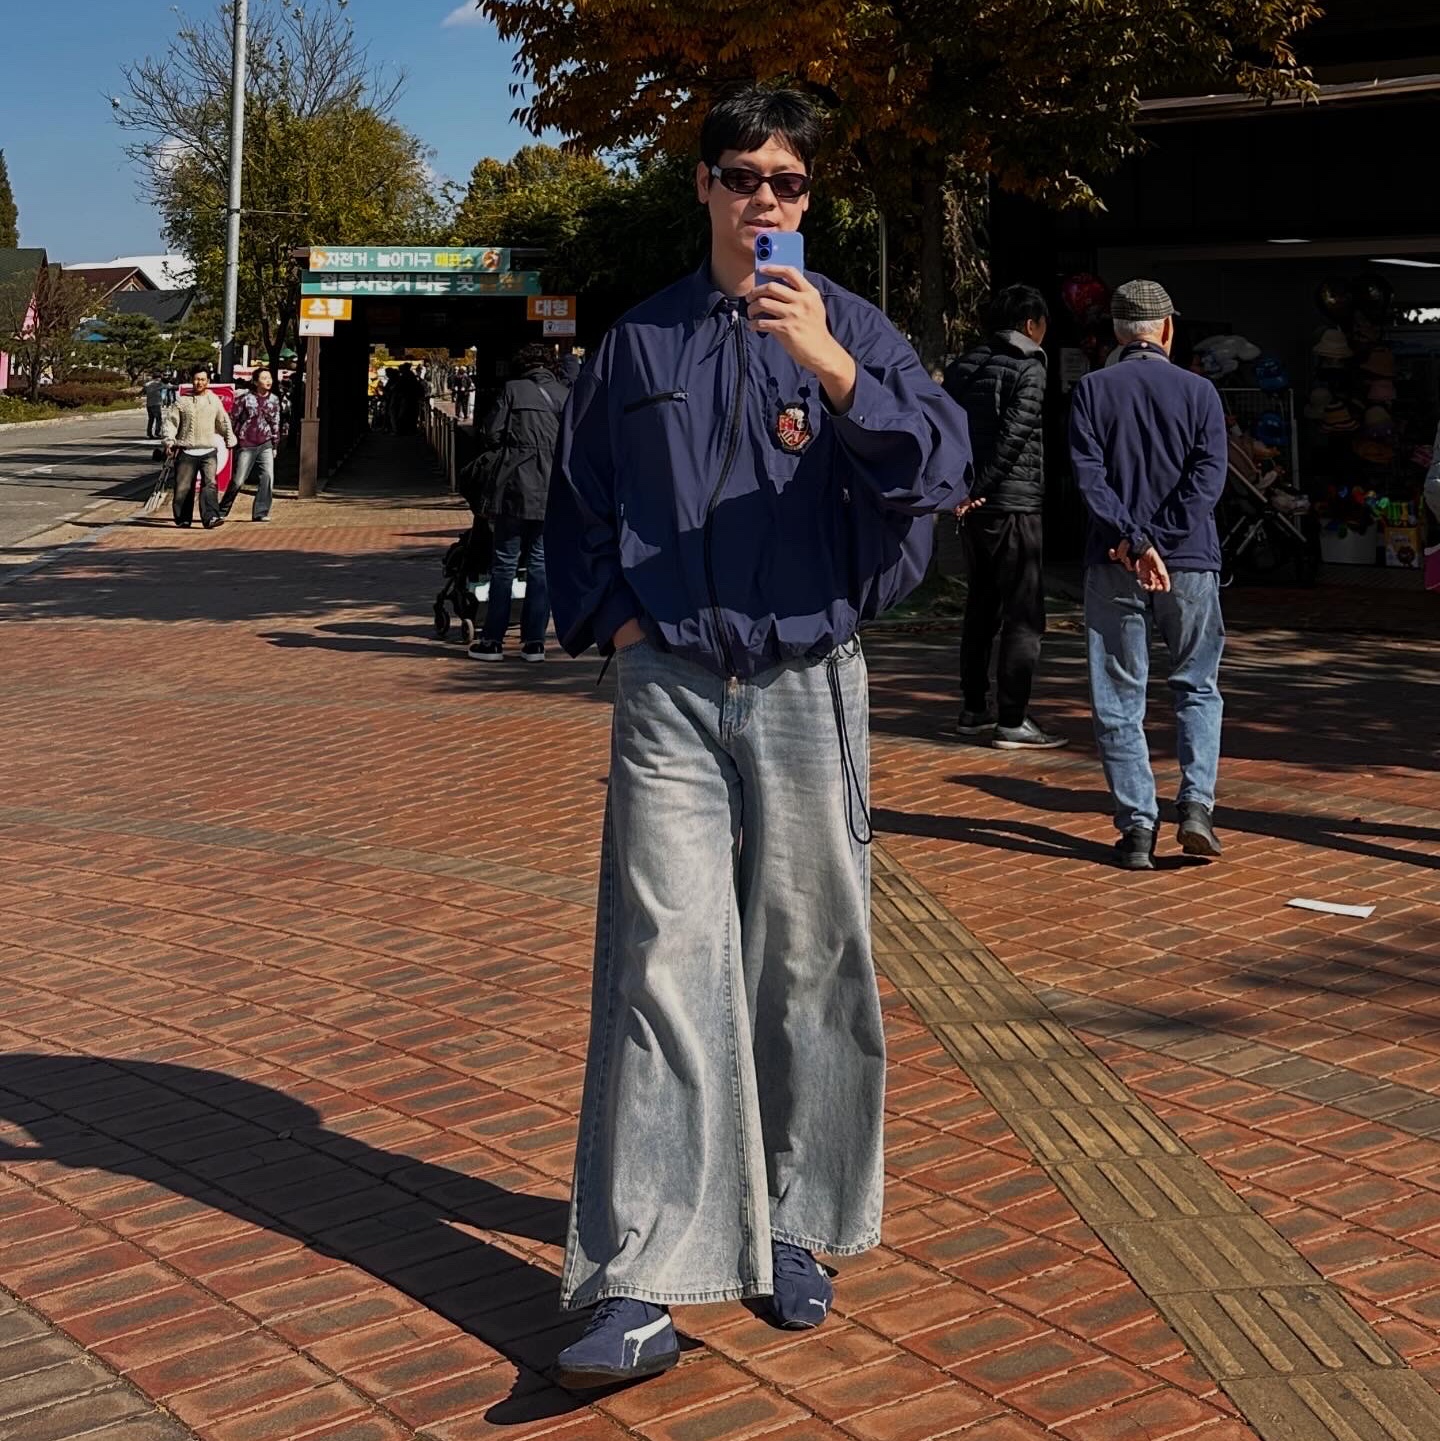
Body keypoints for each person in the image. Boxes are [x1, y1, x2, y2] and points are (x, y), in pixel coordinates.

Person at [545, 86, 972, 1388]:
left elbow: (940, 466)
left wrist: (833, 367)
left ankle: (794, 1221)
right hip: (670, 683)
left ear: (808, 197)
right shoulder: (639, 341)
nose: (765, 200)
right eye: (742, 176)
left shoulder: (854, 327)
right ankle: (641, 1273)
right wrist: (621, 624)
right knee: (662, 959)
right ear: (704, 187)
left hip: (809, 679)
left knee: (808, 958)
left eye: (787, 181)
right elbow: (578, 501)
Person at [1069, 280, 1228, 871]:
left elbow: (1088, 477)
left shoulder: (1092, 389)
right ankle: (1197, 806)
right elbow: (1209, 477)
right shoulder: (1200, 391)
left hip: (1114, 559)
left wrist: (1134, 541)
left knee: (1118, 697)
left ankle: (1138, 826)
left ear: (1117, 331)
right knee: (1197, 684)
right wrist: (1161, 540)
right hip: (1190, 560)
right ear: (1166, 329)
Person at [944, 284, 1064, 750]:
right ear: (1031, 324)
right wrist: (983, 487)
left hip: (974, 504)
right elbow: (1015, 435)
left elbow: (945, 427)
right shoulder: (1029, 365)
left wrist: (964, 489)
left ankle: (974, 707)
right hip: (1012, 502)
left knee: (981, 606)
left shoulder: (964, 366)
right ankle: (1013, 719)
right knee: (1024, 613)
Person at [469, 344, 565, 662]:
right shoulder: (565, 395)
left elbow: (491, 432)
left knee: (504, 564)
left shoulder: (512, 390)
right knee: (541, 565)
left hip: (513, 488)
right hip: (551, 491)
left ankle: (492, 640)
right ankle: (534, 642)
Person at [164, 365, 237, 530]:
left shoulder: (214, 400)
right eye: (197, 379)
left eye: (203, 379)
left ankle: (210, 517)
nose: (199, 382)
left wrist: (229, 437)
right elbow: (171, 423)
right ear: (192, 381)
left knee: (210, 485)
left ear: (208, 381)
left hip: (208, 451)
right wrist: (169, 441)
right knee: (183, 487)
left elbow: (223, 420)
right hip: (186, 451)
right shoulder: (182, 401)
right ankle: (183, 519)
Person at [220, 367, 284, 522]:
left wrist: (275, 444)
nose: (268, 381)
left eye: (269, 378)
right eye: (264, 378)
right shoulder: (245, 398)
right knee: (238, 480)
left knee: (267, 477)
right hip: (246, 443)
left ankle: (261, 512)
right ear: (255, 382)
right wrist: (232, 437)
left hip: (265, 442)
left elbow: (275, 423)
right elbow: (233, 418)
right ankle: (222, 509)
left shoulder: (274, 400)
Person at [143, 373, 168, 439]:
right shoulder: (158, 384)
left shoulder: (147, 384)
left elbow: (144, 391)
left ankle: (149, 433)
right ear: (158, 378)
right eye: (160, 377)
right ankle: (157, 433)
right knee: (158, 419)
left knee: (151, 419)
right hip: (156, 403)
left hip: (149, 404)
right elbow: (168, 387)